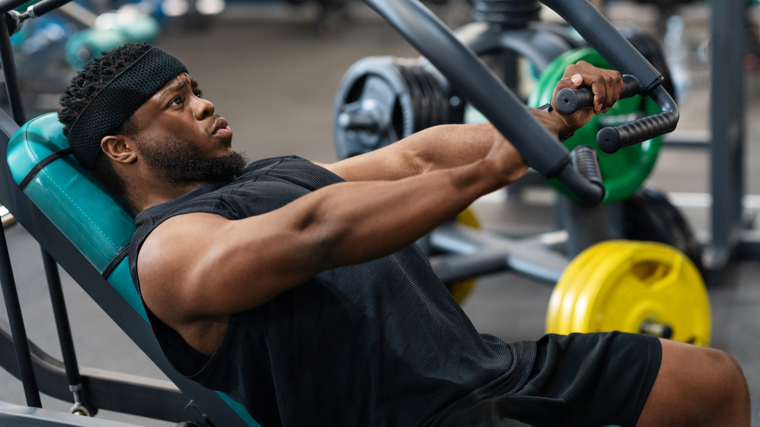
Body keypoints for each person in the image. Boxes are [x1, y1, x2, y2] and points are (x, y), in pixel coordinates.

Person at [58, 43, 749, 427]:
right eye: (175, 102)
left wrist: (552, 117)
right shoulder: (169, 251)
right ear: (122, 149)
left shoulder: (269, 175)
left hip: (489, 371)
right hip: (412, 418)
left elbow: (416, 158)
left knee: (713, 382)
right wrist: (497, 166)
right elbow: (318, 233)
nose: (205, 102)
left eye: (195, 86)